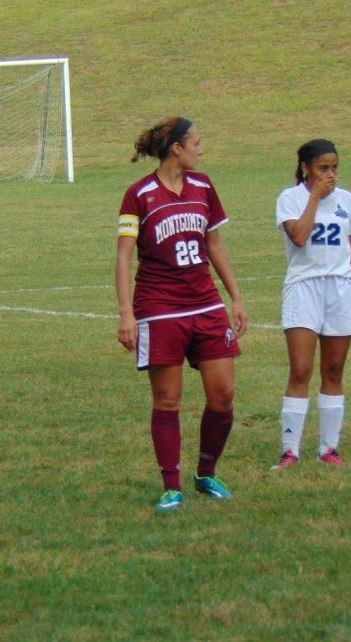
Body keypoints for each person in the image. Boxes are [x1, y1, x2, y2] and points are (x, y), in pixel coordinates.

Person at [115, 117, 247, 512]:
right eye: (197, 143)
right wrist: (126, 314)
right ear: (177, 148)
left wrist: (235, 298)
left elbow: (216, 246)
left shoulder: (204, 186)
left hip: (205, 303)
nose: (201, 151)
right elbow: (124, 257)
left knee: (223, 395)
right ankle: (171, 485)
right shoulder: (138, 194)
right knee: (168, 400)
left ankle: (206, 473)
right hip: (159, 308)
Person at [271, 139, 351, 471]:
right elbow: (298, 236)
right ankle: (290, 450)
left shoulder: (346, 200)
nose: (331, 175)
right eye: (323, 168)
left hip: (340, 289)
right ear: (305, 169)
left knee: (334, 370)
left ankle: (328, 448)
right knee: (300, 370)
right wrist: (314, 196)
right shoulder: (290, 198)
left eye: (334, 168)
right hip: (304, 288)